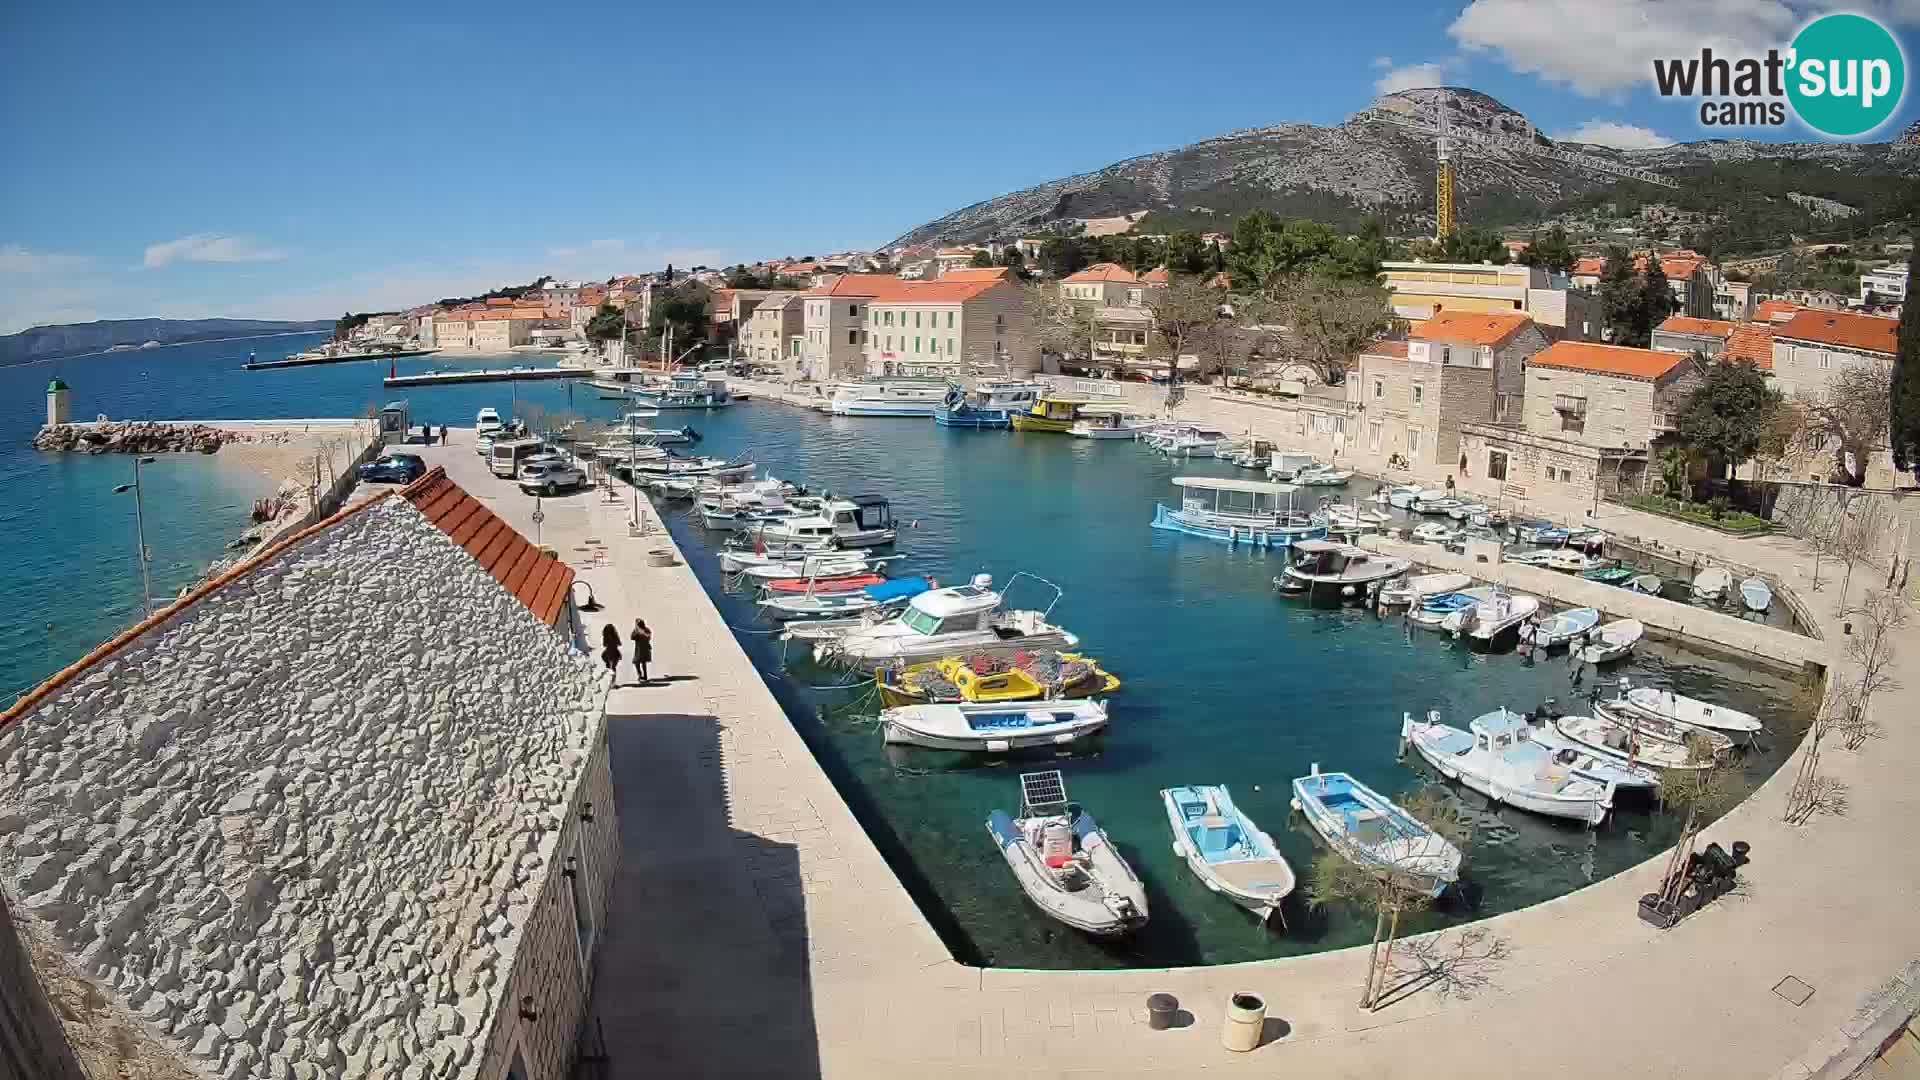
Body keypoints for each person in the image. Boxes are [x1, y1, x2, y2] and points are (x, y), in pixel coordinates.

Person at [630, 618, 653, 683]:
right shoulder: (638, 630)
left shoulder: (643, 630)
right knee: (641, 662)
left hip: (642, 648)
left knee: (640, 662)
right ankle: (641, 675)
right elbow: (632, 637)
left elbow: (648, 637)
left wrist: (640, 633)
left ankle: (642, 675)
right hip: (640, 648)